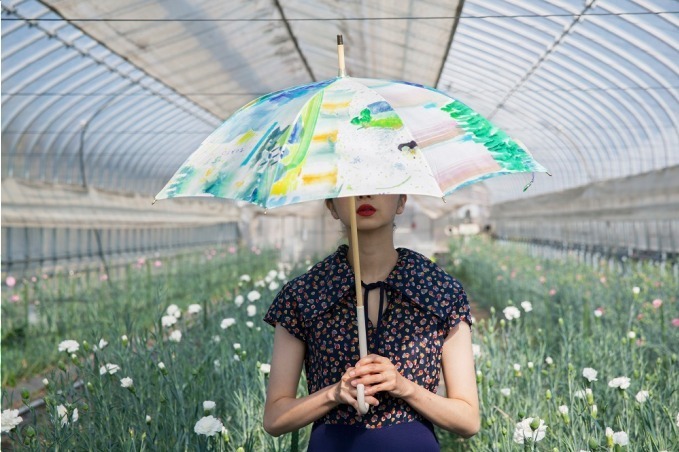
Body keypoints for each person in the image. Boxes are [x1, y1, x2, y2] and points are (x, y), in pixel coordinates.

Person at [262, 194, 479, 451]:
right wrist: (334, 393)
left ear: (401, 202)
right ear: (331, 206)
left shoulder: (441, 291)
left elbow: (468, 420)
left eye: (380, 185)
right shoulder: (303, 295)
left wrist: (404, 387)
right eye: (350, 189)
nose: (364, 195)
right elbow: (274, 418)